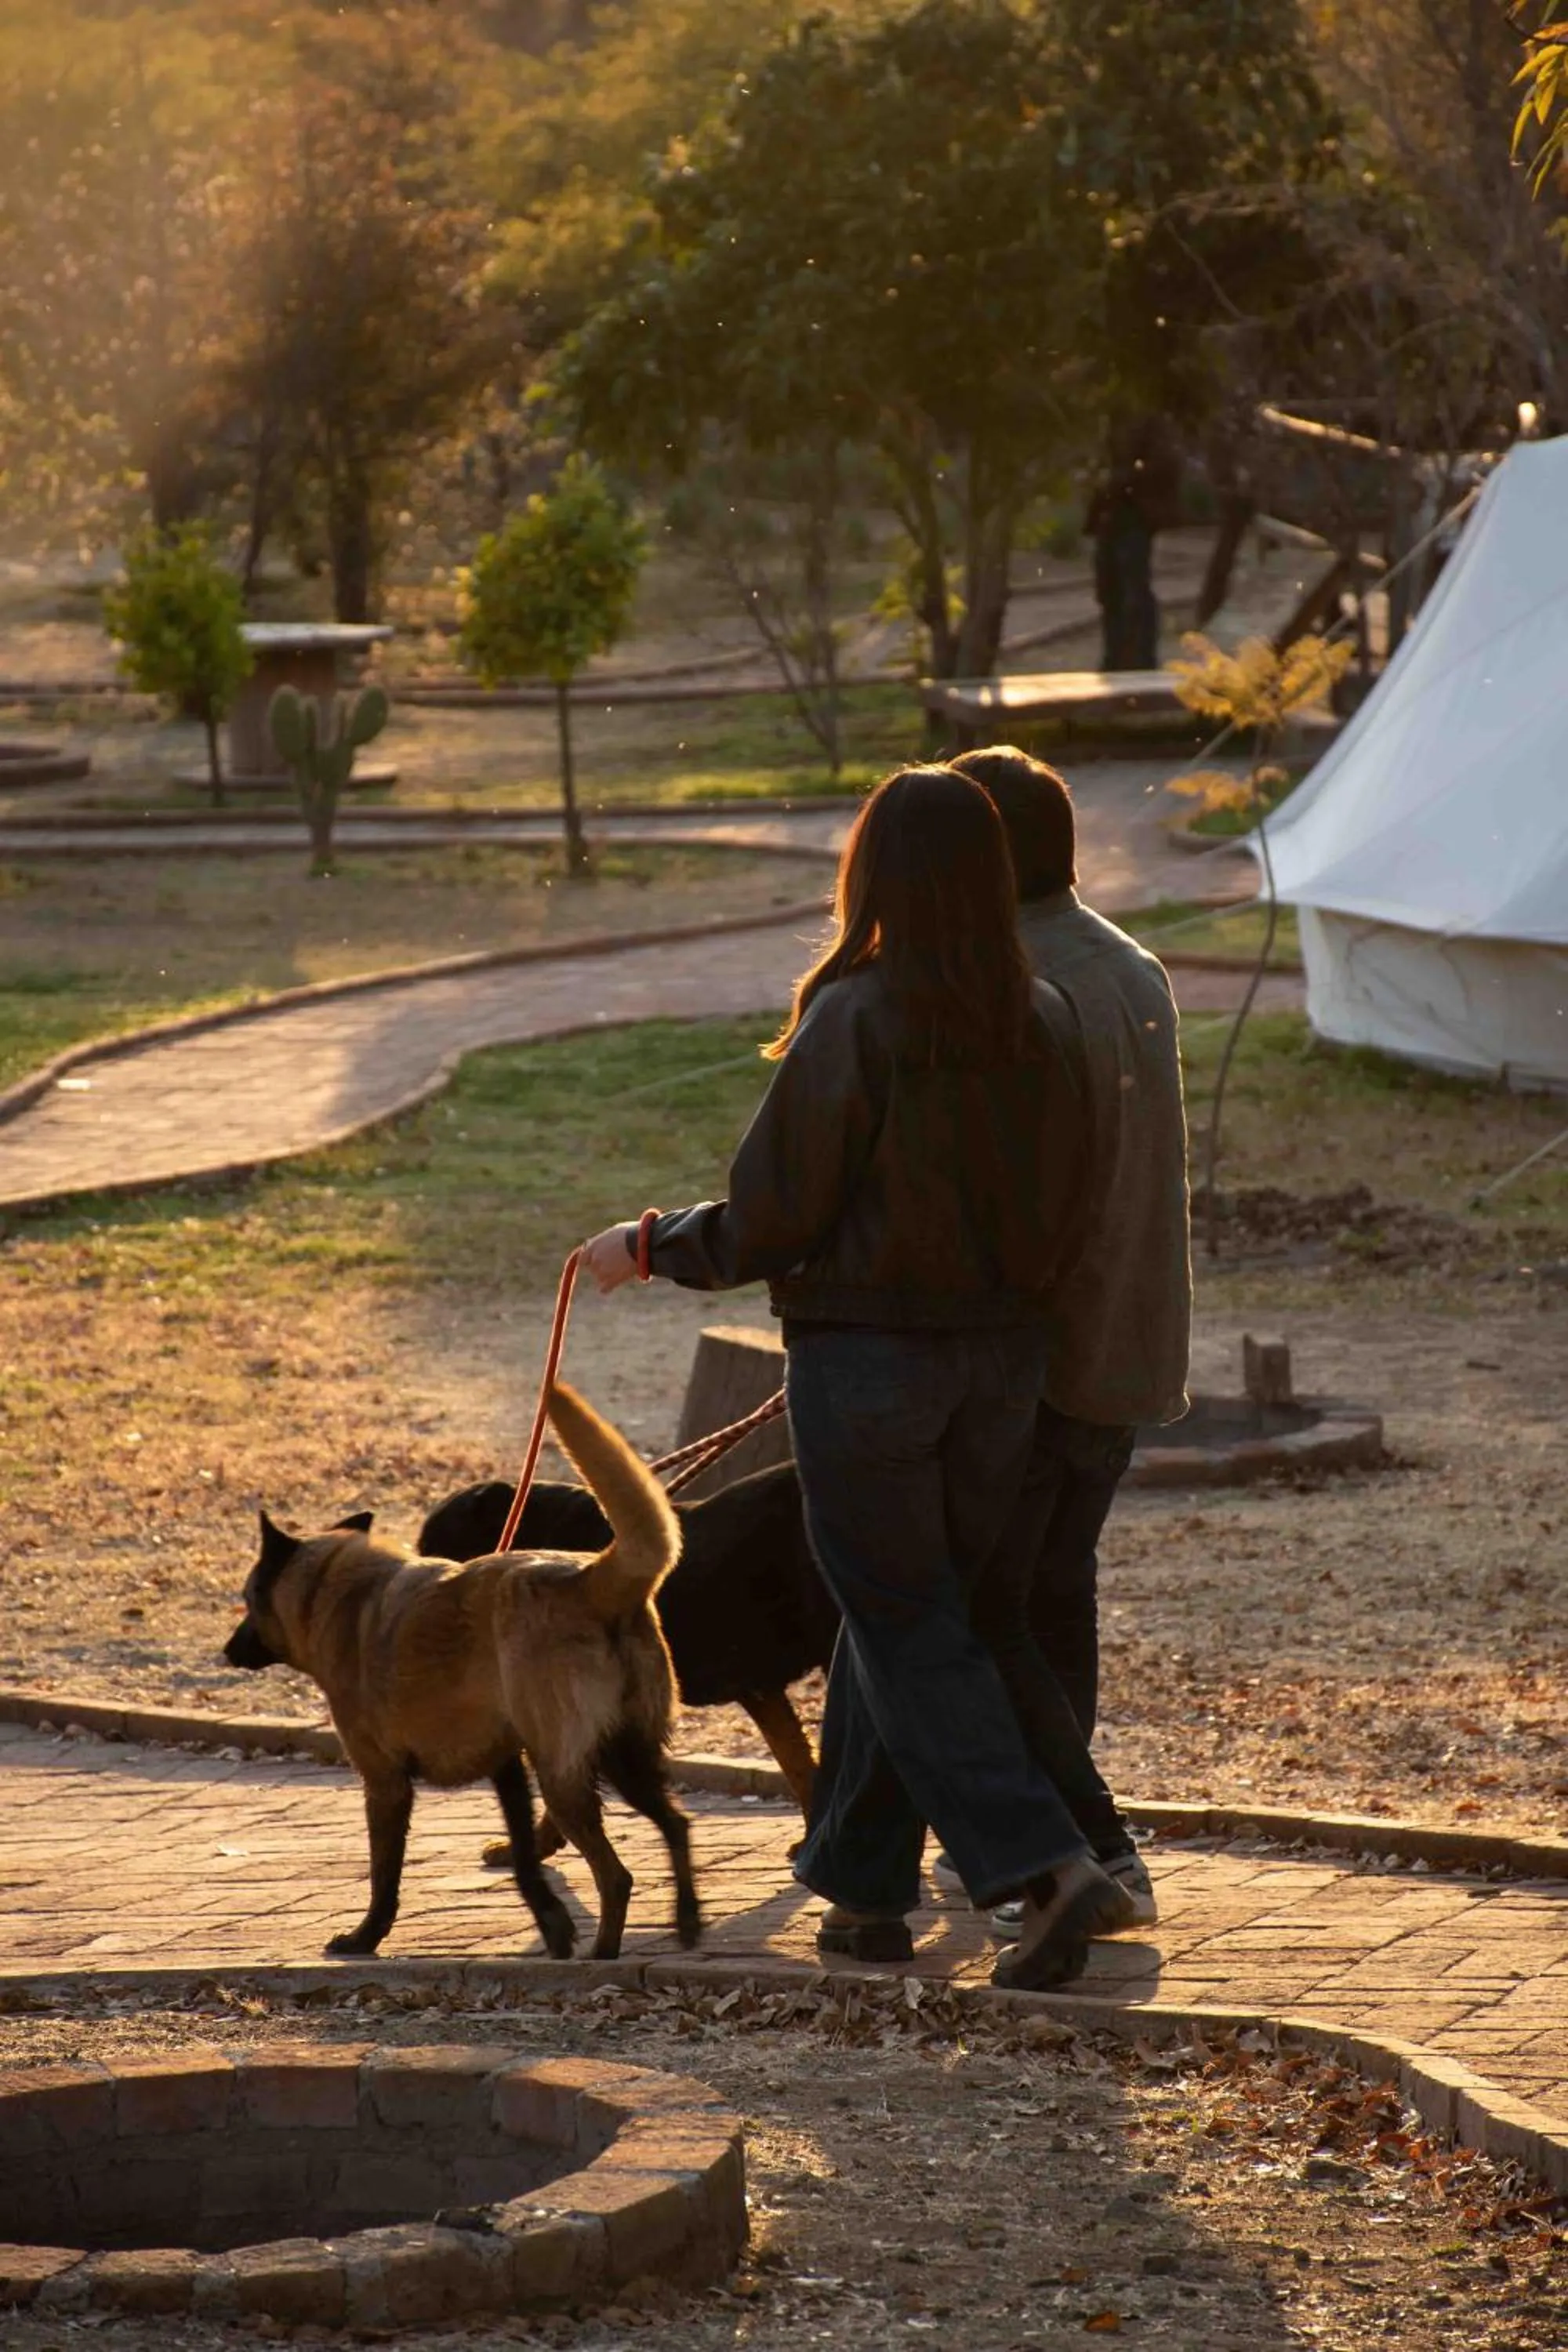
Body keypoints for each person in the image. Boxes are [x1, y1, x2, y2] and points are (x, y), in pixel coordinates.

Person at [579, 765, 1134, 1990]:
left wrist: (652, 1246)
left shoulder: (860, 1019)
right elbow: (1079, 1206)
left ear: (872, 875)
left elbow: (774, 1214)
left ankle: (1044, 1868)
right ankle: (868, 1890)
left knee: (899, 1618)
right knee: (920, 1619)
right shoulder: (1043, 1017)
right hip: (1003, 1370)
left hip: (873, 1369)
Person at [943, 746, 1192, 1927]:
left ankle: (1084, 1844)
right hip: (1135, 1347)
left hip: (1045, 1358)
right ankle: (1034, 1837)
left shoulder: (1019, 983)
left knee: (988, 1610)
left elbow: (1022, 1207)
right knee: (1053, 1597)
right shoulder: (1131, 964)